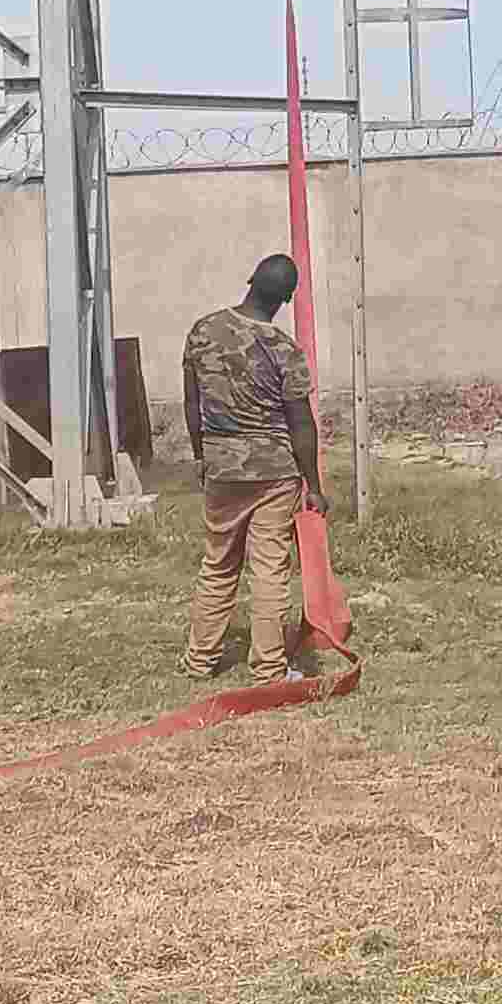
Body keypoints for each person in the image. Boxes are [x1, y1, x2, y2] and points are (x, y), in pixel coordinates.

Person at [182, 252, 329, 685]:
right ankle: (268, 669)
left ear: (249, 279)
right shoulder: (285, 351)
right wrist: (314, 485)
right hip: (275, 473)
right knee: (269, 569)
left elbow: (193, 405)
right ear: (286, 299)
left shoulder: (203, 331)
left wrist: (202, 457)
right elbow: (301, 422)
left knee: (218, 563)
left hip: (222, 467)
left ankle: (200, 659)